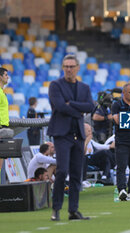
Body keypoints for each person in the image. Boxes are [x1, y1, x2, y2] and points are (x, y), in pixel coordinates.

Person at [47, 54, 94, 221]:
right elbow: (59, 107)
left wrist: (72, 104)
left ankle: (73, 210)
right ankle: (56, 209)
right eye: (66, 66)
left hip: (78, 135)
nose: (68, 69)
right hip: (61, 134)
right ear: (63, 68)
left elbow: (90, 106)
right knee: (62, 172)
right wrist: (78, 109)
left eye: (71, 66)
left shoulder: (84, 87)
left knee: (76, 174)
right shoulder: (55, 85)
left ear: (77, 68)